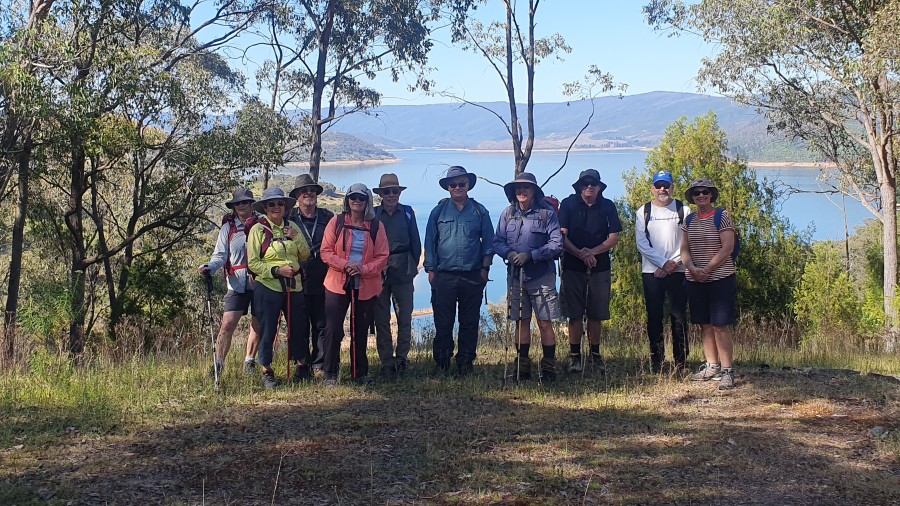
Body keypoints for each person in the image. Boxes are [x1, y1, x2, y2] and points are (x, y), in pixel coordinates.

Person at [492, 172, 563, 382]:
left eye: (526, 187)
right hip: (516, 277)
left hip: (542, 276)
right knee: (521, 322)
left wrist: (531, 256)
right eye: (518, 188)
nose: (521, 191)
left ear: (534, 191)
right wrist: (509, 254)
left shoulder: (547, 214)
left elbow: (556, 243)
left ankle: (548, 368)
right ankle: (522, 367)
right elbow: (497, 241)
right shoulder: (508, 213)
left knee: (544, 322)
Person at [424, 166, 494, 376]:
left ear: (468, 185)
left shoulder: (480, 211)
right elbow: (430, 242)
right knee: (443, 323)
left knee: (469, 322)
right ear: (447, 187)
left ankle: (465, 362)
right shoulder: (438, 211)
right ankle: (442, 362)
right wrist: (431, 271)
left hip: (473, 275)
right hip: (444, 276)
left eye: (461, 184)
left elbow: (489, 242)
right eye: (453, 184)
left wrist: (485, 269)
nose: (457, 188)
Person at [320, 183, 390, 387]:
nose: (357, 201)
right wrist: (345, 265)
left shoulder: (376, 226)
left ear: (367, 201)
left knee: (360, 330)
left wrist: (364, 269)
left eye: (361, 198)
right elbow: (326, 251)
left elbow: (383, 256)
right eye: (353, 197)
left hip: (366, 285)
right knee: (333, 329)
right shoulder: (337, 222)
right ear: (347, 200)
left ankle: (359, 373)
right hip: (337, 283)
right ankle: (330, 373)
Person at [558, 169, 622, 375]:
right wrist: (580, 254)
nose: (589, 187)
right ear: (579, 187)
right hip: (572, 266)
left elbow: (613, 237)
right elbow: (561, 236)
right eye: (584, 184)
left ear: (599, 187)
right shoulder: (568, 204)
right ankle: (575, 357)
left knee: (596, 314)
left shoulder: (608, 206)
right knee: (574, 314)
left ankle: (596, 356)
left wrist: (592, 252)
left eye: (593, 184)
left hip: (600, 266)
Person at [246, 187, 311, 389]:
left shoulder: (292, 227)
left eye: (280, 203)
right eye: (271, 204)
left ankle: (302, 366)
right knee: (268, 329)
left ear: (285, 207)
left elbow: (305, 255)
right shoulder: (258, 230)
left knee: (298, 328)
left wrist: (296, 237)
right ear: (265, 208)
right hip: (268, 286)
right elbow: (253, 263)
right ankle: (267, 371)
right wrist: (276, 270)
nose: (276, 207)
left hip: (293, 287)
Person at [680, 178, 738, 390]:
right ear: (692, 197)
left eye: (705, 191)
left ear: (711, 194)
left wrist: (707, 269)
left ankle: (727, 370)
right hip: (695, 279)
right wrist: (692, 268)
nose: (701, 195)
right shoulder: (689, 220)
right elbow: (684, 249)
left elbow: (727, 248)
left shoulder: (722, 216)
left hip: (720, 279)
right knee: (704, 324)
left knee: (720, 325)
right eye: (696, 193)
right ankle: (712, 365)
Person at [198, 188, 262, 379]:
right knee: (227, 325)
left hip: (260, 282)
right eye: (238, 203)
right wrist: (210, 267)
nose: (242, 206)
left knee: (258, 324)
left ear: (252, 204)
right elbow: (220, 255)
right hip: (236, 283)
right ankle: (218, 364)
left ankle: (249, 362)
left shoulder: (261, 225)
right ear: (234, 207)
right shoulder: (228, 228)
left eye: (245, 202)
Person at [635, 170, 690, 373]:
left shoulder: (683, 209)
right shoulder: (644, 211)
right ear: (653, 188)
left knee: (679, 317)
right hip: (652, 272)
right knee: (654, 317)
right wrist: (662, 264)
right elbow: (642, 243)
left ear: (672, 187)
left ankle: (681, 362)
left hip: (679, 270)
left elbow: (688, 240)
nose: (662, 189)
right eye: (658, 186)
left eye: (666, 185)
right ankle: (657, 361)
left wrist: (672, 264)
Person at [372, 173, 422, 378]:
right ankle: (386, 362)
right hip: (379, 273)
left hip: (403, 271)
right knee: (381, 320)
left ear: (399, 193)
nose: (391, 195)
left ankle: (402, 360)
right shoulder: (373, 215)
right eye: (387, 192)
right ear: (381, 194)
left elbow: (416, 244)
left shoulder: (408, 213)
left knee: (405, 318)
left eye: (395, 191)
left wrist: (411, 267)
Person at [288, 174, 335, 379]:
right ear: (297, 196)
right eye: (303, 191)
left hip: (324, 276)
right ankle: (302, 365)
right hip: (297, 278)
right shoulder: (289, 218)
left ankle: (319, 364)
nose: (308, 193)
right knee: (299, 324)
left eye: (312, 190)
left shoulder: (327, 216)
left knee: (321, 324)